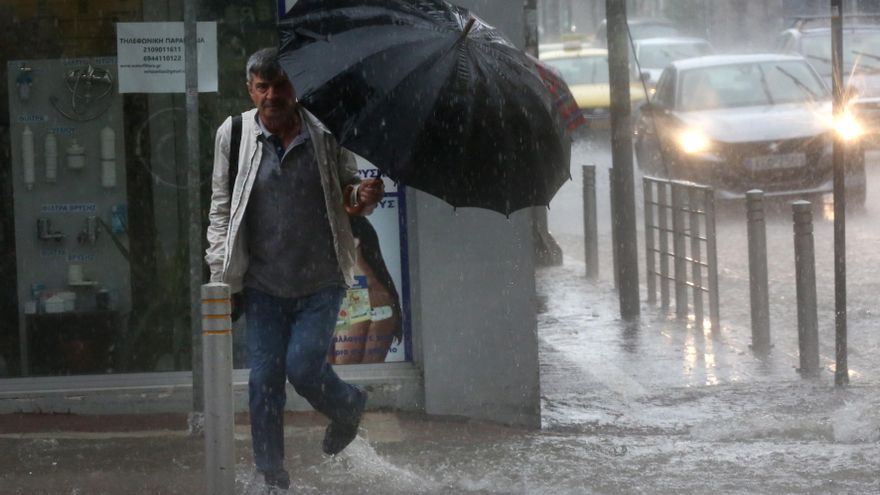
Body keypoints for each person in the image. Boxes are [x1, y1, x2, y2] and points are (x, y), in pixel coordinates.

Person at [205, 47, 384, 491]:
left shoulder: (325, 133)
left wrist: (363, 199)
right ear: (250, 89)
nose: (272, 95)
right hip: (263, 284)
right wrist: (219, 275)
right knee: (264, 379)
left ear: (294, 87)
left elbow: (345, 199)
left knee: (303, 368)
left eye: (280, 85)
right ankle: (272, 475)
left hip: (320, 280)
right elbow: (221, 210)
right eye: (262, 87)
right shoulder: (233, 135)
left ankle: (347, 405)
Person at [330, 216, 403, 365]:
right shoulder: (381, 293)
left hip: (361, 296)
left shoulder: (358, 292)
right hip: (378, 298)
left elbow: (343, 366)